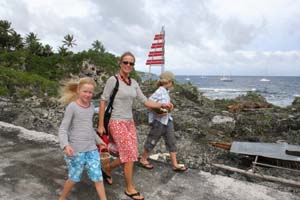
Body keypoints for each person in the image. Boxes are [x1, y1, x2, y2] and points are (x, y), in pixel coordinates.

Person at [97, 51, 171, 200]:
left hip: (129, 122)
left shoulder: (134, 83)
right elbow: (103, 100)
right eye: (126, 62)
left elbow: (145, 101)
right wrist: (100, 125)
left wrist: (162, 104)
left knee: (131, 154)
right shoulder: (113, 80)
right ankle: (130, 188)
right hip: (115, 121)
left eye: (131, 63)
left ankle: (107, 168)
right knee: (130, 155)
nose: (128, 65)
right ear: (120, 63)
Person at [58, 77, 107, 200]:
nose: (88, 94)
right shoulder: (72, 107)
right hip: (76, 150)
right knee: (74, 177)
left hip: (91, 149)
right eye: (85, 91)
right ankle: (62, 197)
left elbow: (89, 128)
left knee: (98, 176)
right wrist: (66, 145)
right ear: (78, 91)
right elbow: (63, 129)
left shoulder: (91, 108)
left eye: (90, 92)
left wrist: (100, 142)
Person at [139, 71, 187, 172]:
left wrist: (170, 105)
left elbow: (164, 103)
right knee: (152, 140)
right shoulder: (159, 91)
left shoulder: (165, 91)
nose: (173, 83)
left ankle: (174, 164)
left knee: (171, 141)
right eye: (172, 81)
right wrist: (158, 111)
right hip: (159, 121)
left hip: (167, 120)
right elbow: (149, 103)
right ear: (168, 82)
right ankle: (143, 159)